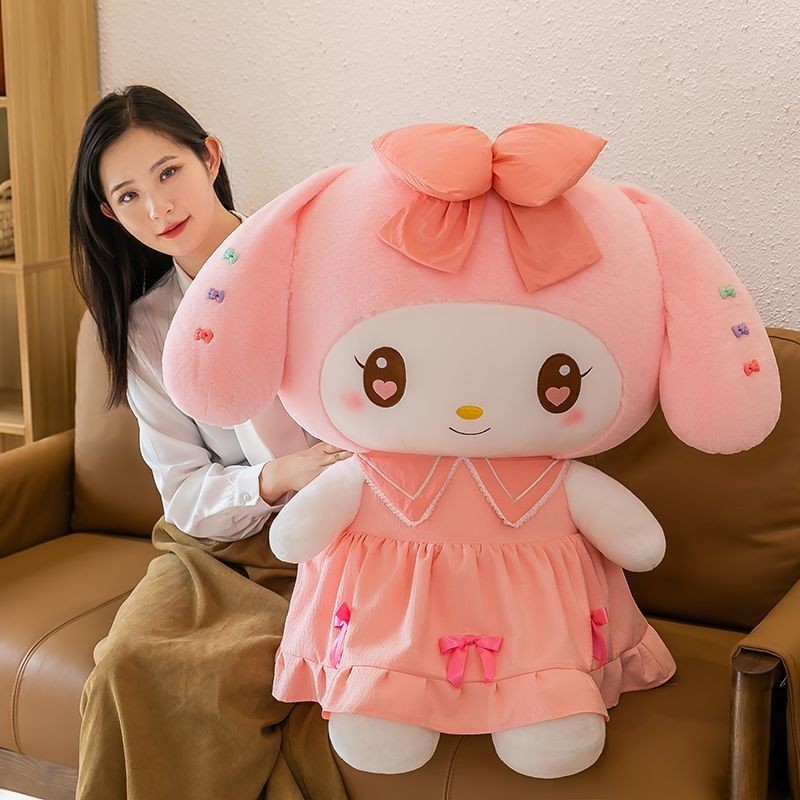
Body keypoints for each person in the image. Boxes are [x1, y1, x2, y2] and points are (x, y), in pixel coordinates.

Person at [68, 84, 350, 800]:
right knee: (126, 662)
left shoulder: (315, 267)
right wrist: (274, 477)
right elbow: (184, 490)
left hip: (340, 537)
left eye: (168, 172)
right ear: (109, 214)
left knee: (218, 677)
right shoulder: (143, 328)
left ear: (210, 158)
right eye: (128, 196)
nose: (158, 207)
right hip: (215, 547)